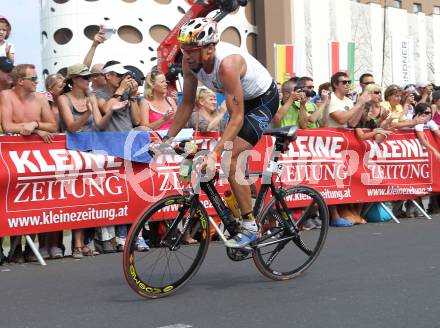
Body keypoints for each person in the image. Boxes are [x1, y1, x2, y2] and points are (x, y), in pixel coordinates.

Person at [162, 17, 279, 248]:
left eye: (192, 51)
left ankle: (250, 225)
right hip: (240, 101)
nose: (186, 56)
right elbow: (186, 105)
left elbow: (236, 118)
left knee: (229, 157)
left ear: (210, 48)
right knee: (227, 159)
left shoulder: (226, 65)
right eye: (184, 50)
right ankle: (252, 202)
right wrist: (166, 138)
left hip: (262, 100)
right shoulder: (188, 63)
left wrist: (214, 154)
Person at [58, 63, 127, 258]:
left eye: (89, 77)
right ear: (73, 80)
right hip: (73, 150)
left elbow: (99, 123)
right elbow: (71, 127)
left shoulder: (91, 97)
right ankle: (77, 244)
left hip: (93, 150)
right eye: (84, 77)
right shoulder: (64, 99)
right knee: (77, 197)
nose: (88, 80)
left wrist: (111, 110)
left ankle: (88, 241)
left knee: (92, 197)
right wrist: (88, 112)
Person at [1, 64, 58, 262]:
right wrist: (35, 130)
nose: (36, 82)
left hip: (35, 157)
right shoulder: (6, 96)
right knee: (13, 200)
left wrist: (35, 125)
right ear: (20, 82)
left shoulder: (41, 98)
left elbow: (53, 125)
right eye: (33, 79)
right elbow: (7, 125)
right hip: (13, 156)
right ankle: (15, 248)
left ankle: (29, 249)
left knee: (34, 200)